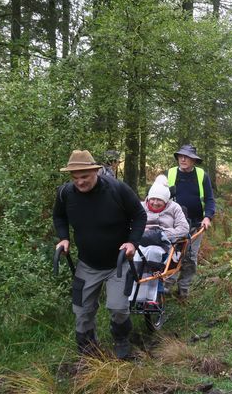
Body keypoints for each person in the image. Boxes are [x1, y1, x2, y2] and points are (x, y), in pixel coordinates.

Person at [53, 150, 146, 359]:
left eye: (84, 176)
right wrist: (63, 237)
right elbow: (59, 217)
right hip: (87, 263)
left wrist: (132, 242)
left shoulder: (117, 190)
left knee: (118, 307)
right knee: (81, 310)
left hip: (118, 263)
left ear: (96, 171)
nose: (80, 182)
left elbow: (139, 215)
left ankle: (121, 339)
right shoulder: (65, 193)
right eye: (75, 177)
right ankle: (87, 348)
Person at [163, 144, 216, 299]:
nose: (183, 159)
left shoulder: (202, 175)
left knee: (190, 257)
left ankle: (183, 288)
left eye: (187, 157)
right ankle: (166, 286)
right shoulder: (170, 174)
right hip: (173, 224)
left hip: (196, 224)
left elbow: (210, 199)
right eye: (181, 156)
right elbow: (157, 196)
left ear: (194, 160)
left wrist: (208, 217)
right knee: (172, 254)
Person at [141, 175, 190, 245]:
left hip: (166, 244)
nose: (155, 203)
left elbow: (184, 229)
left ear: (166, 201)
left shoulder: (174, 207)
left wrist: (161, 235)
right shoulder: (140, 207)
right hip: (139, 242)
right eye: (152, 199)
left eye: (159, 200)